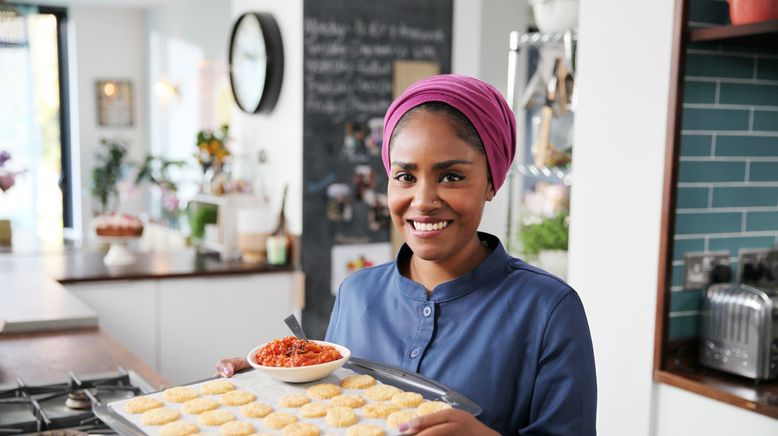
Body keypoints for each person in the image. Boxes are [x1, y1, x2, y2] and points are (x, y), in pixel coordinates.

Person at [217, 74, 597, 435]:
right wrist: (271, 381)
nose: (424, 201)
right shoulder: (356, 292)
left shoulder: (548, 310)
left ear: (491, 183)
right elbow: (328, 408)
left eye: (451, 176)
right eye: (405, 177)